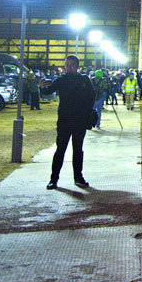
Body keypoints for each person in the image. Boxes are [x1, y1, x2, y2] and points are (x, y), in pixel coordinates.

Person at [39, 55, 95, 189]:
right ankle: (54, 179)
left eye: (71, 65)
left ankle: (78, 177)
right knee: (60, 150)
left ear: (77, 66)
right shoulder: (61, 80)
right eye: (66, 65)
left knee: (78, 150)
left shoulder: (84, 79)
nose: (68, 68)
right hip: (64, 120)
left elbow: (91, 96)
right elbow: (48, 91)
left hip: (79, 121)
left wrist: (87, 112)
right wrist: (41, 87)